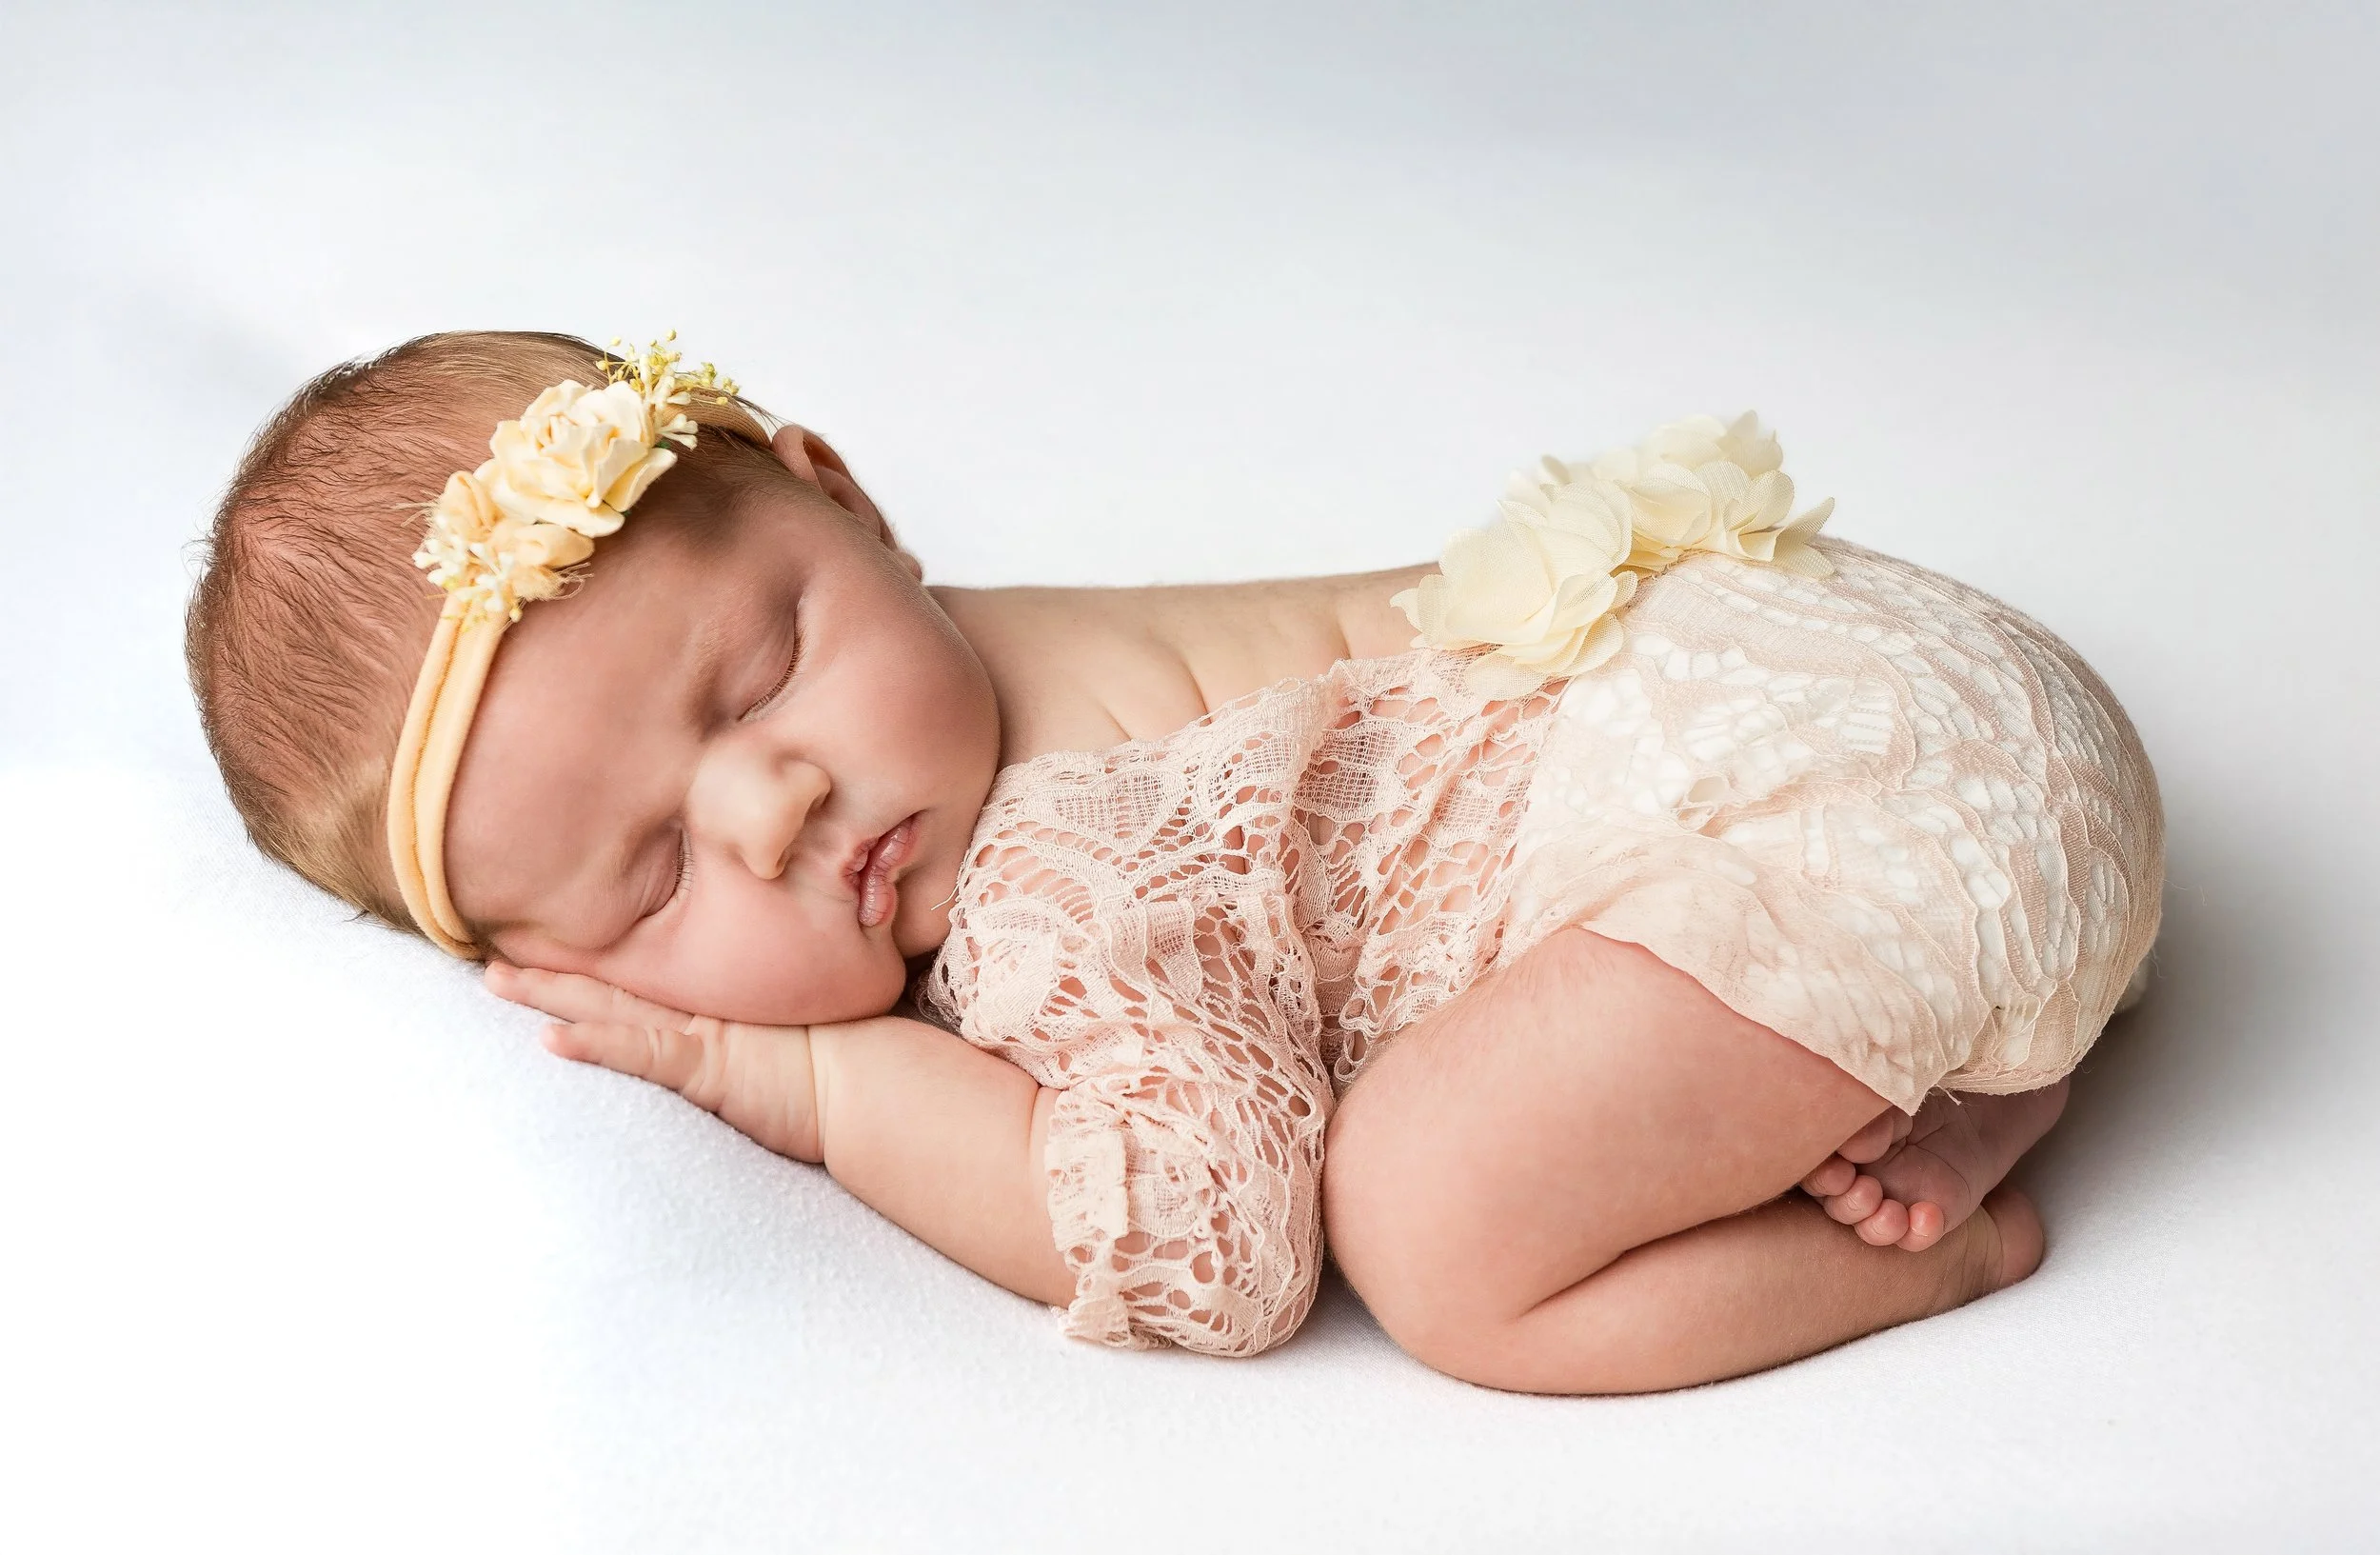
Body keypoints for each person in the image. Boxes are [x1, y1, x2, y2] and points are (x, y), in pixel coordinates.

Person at [185, 330, 2161, 1393]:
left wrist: (808, 1082)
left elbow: (1227, 1243)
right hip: (1931, 709)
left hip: (1865, 808)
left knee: (1435, 1239)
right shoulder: (974, 648)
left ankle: (1938, 1238)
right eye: (646, 887)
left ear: (845, 503)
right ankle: (1971, 1068)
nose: (771, 808)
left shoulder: (1048, 866)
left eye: (763, 668)